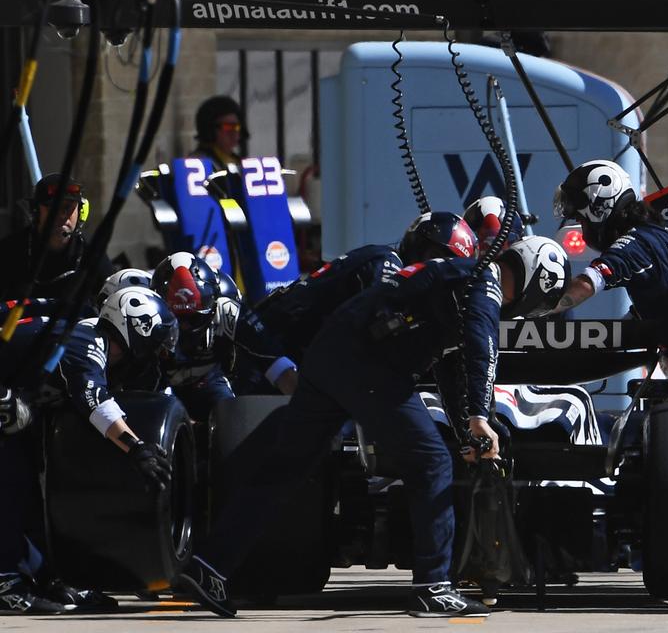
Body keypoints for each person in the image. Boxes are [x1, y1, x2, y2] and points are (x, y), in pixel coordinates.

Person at [175, 236, 569, 619]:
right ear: (539, 284)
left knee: (283, 471)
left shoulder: (461, 275)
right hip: (369, 366)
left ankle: (209, 565)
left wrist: (464, 429)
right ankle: (434, 587)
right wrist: (481, 416)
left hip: (328, 357)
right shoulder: (485, 282)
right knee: (432, 464)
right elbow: (482, 348)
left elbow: (451, 367)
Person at [1, 288, 178, 614]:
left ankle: (46, 574)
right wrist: (137, 448)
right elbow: (96, 404)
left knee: (32, 481)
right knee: (10, 475)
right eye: (155, 342)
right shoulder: (87, 341)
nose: (156, 353)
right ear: (134, 328)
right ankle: (5, 582)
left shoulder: (87, 339)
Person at [232, 211, 476, 393]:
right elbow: (379, 330)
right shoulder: (387, 262)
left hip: (301, 360)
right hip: (273, 354)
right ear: (418, 246)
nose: (440, 271)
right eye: (436, 258)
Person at [551, 160, 668, 389]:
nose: (581, 229)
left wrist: (534, 308)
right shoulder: (667, 232)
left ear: (598, 209)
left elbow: (587, 284)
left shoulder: (636, 243)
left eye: (581, 220)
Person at [147, 253, 295, 421]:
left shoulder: (228, 309)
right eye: (177, 318)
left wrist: (309, 409)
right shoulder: (146, 316)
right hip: (157, 383)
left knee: (233, 419)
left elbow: (274, 361)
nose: (185, 326)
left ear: (213, 304)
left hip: (210, 379)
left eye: (192, 318)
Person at [0, 173, 113, 304]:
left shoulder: (92, 253)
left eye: (68, 207)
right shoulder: (9, 251)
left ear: (81, 211)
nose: (62, 215)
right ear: (35, 212)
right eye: (53, 208)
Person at [190, 96, 248, 170]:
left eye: (237, 127)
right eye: (227, 127)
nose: (234, 133)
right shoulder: (198, 164)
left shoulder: (236, 162)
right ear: (209, 130)